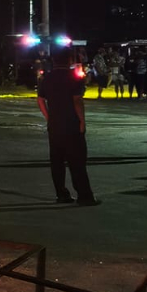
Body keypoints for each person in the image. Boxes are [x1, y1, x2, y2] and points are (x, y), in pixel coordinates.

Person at [36, 50, 99, 205]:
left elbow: (40, 100)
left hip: (55, 125)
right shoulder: (73, 78)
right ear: (69, 60)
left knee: (57, 161)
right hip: (71, 123)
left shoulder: (47, 78)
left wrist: (49, 117)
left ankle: (61, 194)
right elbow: (77, 101)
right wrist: (82, 121)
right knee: (77, 161)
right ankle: (84, 196)